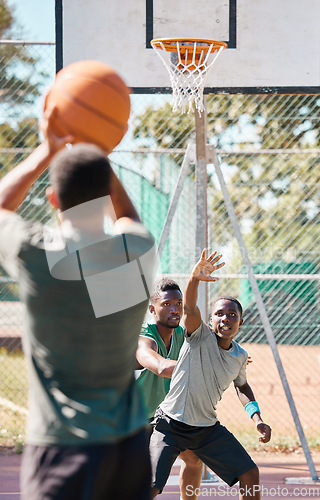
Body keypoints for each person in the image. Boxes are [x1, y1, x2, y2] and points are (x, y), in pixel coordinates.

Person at [0, 107, 156, 500]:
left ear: (52, 197)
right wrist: (99, 153)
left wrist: (45, 151)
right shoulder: (137, 250)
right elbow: (128, 218)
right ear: (106, 198)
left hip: (62, 446)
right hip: (129, 449)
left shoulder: (34, 253)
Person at [150, 249, 272, 499]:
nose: (225, 318)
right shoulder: (198, 336)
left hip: (206, 429)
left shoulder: (239, 355)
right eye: (219, 314)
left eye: (232, 314)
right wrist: (195, 279)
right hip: (170, 425)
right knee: (151, 486)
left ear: (240, 322)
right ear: (210, 320)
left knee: (250, 475)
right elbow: (191, 306)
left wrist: (257, 418)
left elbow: (242, 386)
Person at [136, 277, 204, 500]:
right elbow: (159, 366)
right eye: (166, 304)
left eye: (178, 304)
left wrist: (229, 358)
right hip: (131, 422)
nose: (174, 309)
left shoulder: (183, 336)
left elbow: (214, 347)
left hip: (164, 417)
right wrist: (199, 366)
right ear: (152, 309)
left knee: (193, 459)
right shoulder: (144, 339)